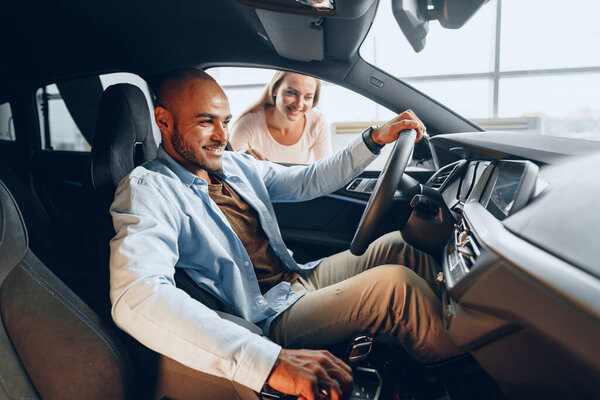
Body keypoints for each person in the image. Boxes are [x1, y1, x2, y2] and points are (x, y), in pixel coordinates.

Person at [110, 68, 460, 400]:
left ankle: (451, 332)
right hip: (268, 315)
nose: (221, 135)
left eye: (226, 121)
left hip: (297, 278)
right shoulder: (147, 190)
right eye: (206, 121)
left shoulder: (232, 165)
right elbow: (137, 294)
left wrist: (373, 140)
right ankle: (467, 376)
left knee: (401, 246)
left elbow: (307, 181)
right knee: (395, 288)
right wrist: (267, 361)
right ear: (163, 120)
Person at [229, 71, 332, 164]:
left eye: (308, 97)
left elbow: (326, 170)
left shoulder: (317, 121)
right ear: (275, 89)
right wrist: (241, 159)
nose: (299, 104)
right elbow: (227, 164)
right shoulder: (249, 122)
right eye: (291, 93)